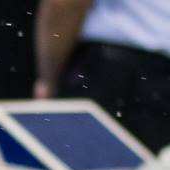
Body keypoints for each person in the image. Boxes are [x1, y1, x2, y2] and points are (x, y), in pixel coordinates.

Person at [36, 0, 170, 151]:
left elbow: (64, 4)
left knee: (78, 164)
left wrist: (48, 79)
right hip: (153, 83)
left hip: (113, 74)